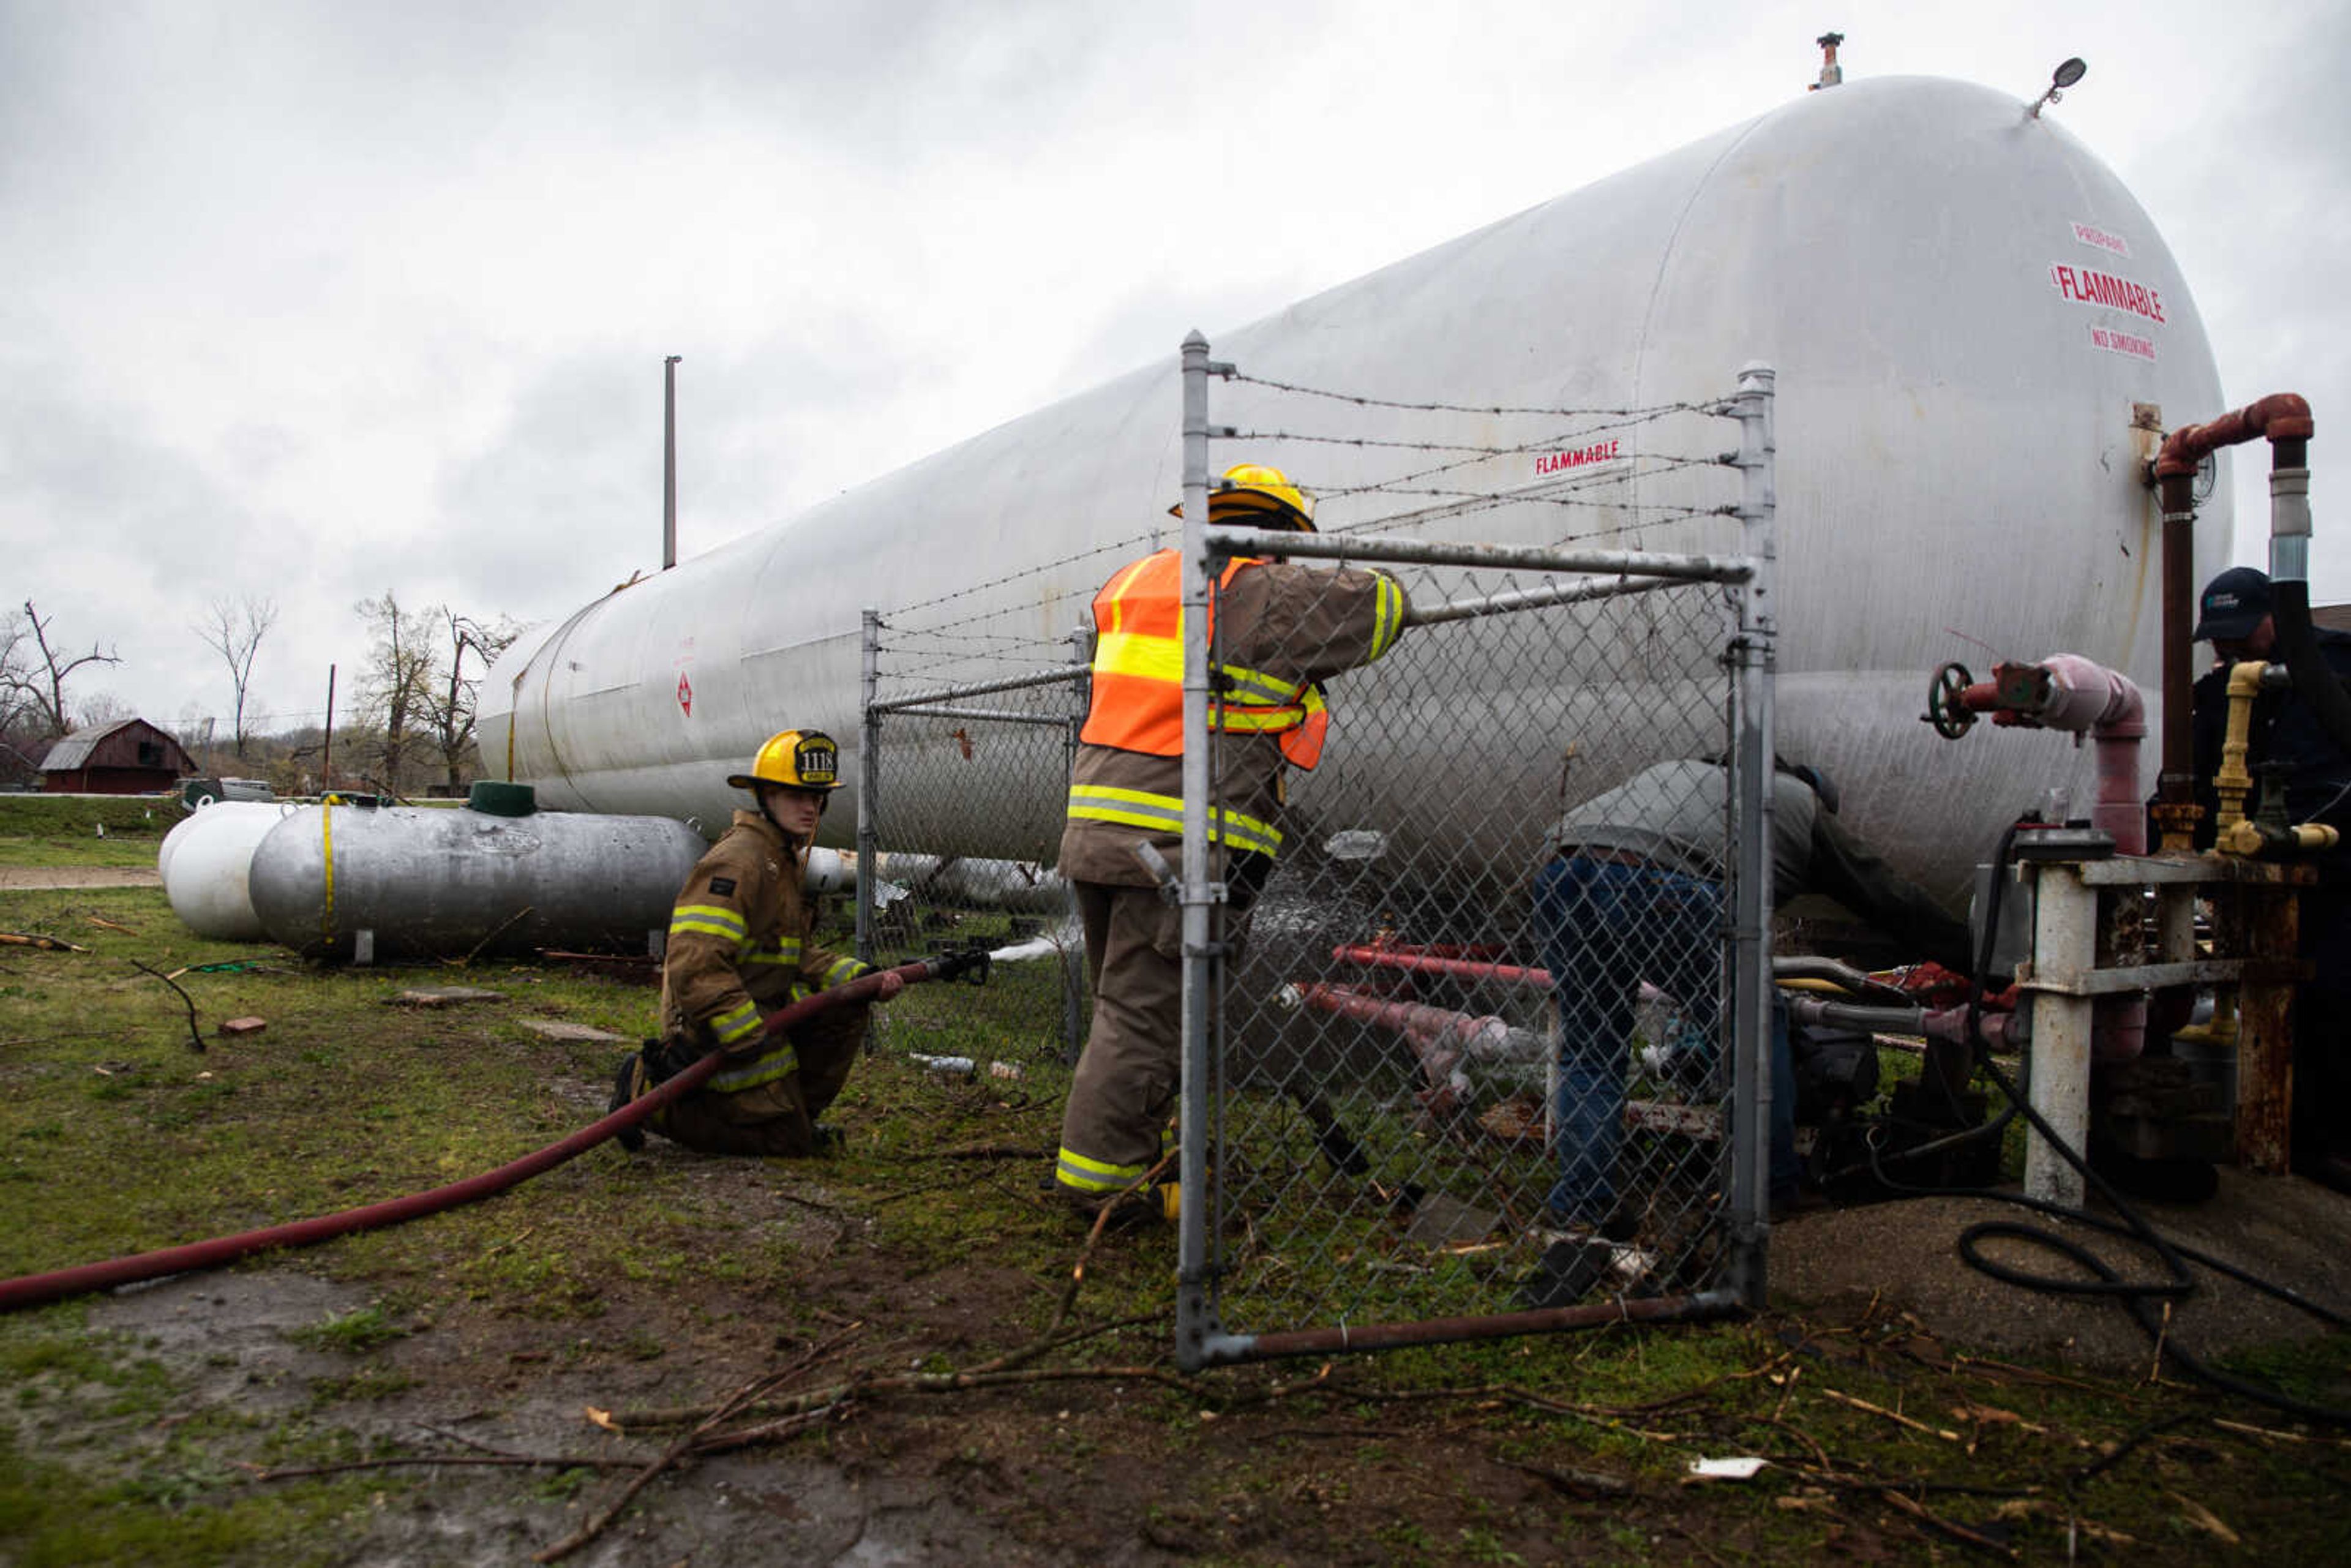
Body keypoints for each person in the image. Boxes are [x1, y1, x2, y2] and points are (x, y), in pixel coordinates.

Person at [1054, 463, 1409, 1218]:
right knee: (1144, 1019)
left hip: (1101, 834)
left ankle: (1142, 1157)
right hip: (1179, 846)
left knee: (1127, 1010)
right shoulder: (1260, 591)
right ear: (1270, 535)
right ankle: (1104, 1188)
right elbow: (1382, 608)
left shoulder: (1140, 580)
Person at [1535, 756, 1972, 1231]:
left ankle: (1581, 1206)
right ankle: (1769, 1192)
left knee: (1592, 1052)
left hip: (1562, 872)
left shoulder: (1692, 772)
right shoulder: (1800, 807)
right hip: (1660, 882)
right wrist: (1976, 958)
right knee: (1757, 1029)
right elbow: (1890, 899)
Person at [607, 728, 902, 1156]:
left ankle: (794, 1115)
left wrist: (858, 977)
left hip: (761, 1003)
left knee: (845, 1007)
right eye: (796, 795)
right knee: (783, 1141)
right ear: (765, 795)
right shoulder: (739, 861)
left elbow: (790, 953)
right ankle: (647, 1098)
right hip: (712, 1022)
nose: (811, 807)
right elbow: (695, 963)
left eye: (817, 798)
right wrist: (744, 1031)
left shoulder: (780, 859)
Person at [2186, 566, 2351, 1188]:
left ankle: (2322, 1141)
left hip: (2331, 870)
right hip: (2250, 872)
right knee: (2260, 994)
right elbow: (2196, 772)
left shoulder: (2330, 669)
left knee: (2331, 997)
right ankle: (2270, 1129)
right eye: (2217, 637)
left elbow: (2335, 783)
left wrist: (2289, 834)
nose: (2227, 648)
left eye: (2238, 634)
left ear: (2275, 617)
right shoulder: (2220, 688)